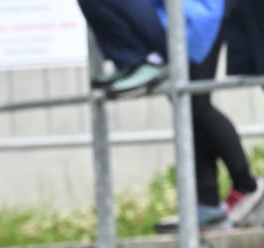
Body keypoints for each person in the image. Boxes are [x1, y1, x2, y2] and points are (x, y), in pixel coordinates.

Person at [78, 0, 264, 230]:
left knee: (195, 103)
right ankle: (209, 202)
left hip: (199, 14)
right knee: (188, 105)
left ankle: (247, 186)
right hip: (182, 14)